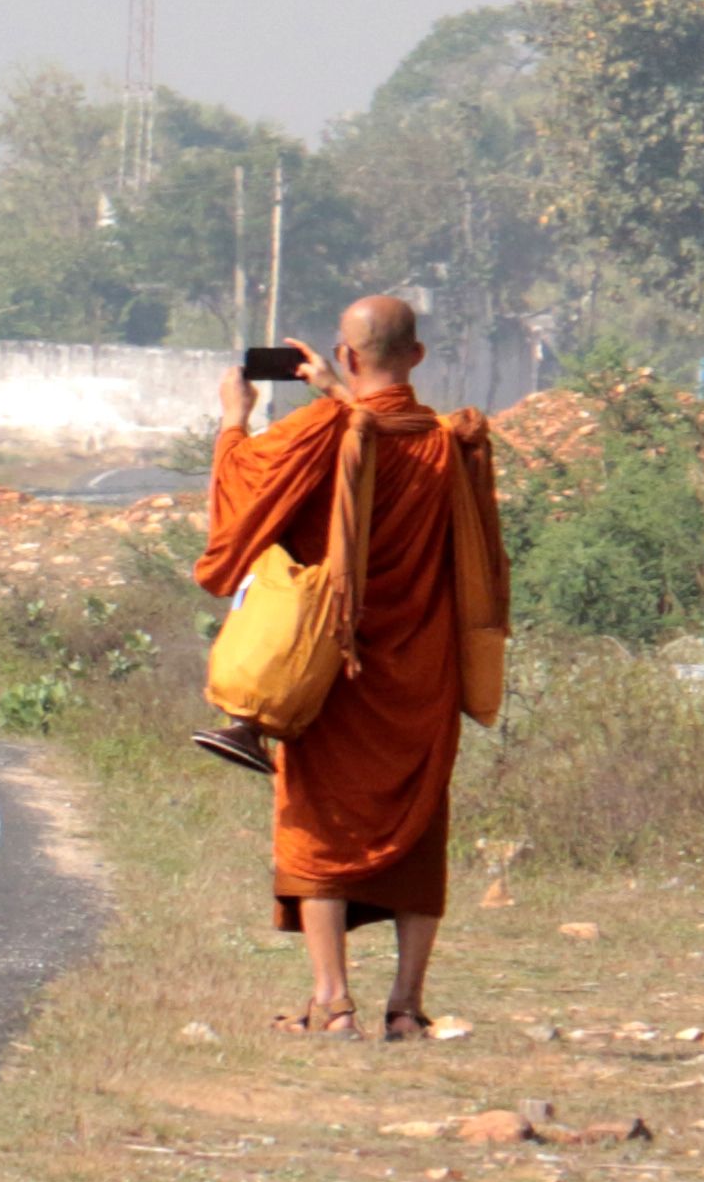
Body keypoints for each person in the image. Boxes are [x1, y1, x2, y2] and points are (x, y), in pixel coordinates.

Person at [196, 292, 511, 1041]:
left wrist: (234, 415)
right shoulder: (445, 445)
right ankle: (405, 1006)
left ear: (344, 357)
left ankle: (333, 1001)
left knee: (319, 823)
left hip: (334, 666)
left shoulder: (325, 429)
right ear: (419, 357)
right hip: (424, 669)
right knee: (417, 822)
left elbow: (241, 494)